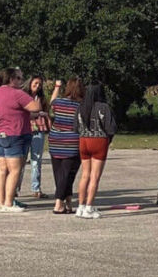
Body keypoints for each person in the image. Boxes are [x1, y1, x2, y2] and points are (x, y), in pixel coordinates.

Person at [0, 68, 41, 213]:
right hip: (14, 134)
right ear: (11, 79)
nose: (21, 82)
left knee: (1, 169)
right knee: (15, 170)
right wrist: (34, 98)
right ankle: (9, 203)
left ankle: (1, 202)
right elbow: (36, 107)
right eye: (19, 78)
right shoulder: (17, 93)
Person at [76, 82, 117, 219]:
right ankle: (89, 207)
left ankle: (80, 207)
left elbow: (75, 127)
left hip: (83, 140)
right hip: (99, 140)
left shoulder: (80, 107)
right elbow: (111, 128)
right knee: (95, 176)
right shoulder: (104, 107)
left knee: (85, 175)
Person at [48, 77, 83, 214]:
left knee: (59, 174)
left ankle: (67, 201)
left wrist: (57, 87)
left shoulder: (59, 102)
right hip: (72, 141)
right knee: (68, 174)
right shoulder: (81, 106)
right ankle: (58, 203)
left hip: (55, 140)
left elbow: (51, 102)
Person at [22, 75, 48, 198]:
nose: (37, 86)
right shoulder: (22, 96)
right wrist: (36, 114)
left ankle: (36, 188)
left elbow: (45, 111)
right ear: (30, 83)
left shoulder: (41, 98)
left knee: (36, 160)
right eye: (36, 83)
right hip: (24, 130)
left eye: (40, 84)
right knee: (20, 161)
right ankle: (15, 188)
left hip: (38, 129)